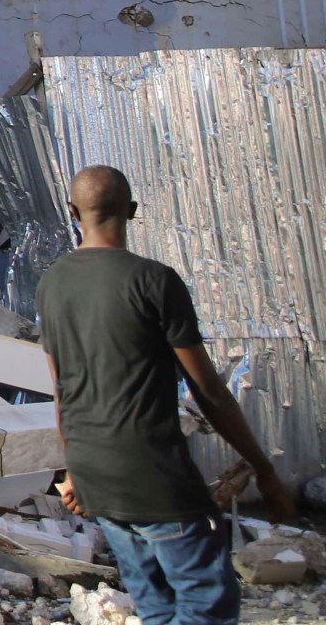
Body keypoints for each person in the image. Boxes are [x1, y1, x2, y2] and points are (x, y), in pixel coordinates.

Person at [38, 164, 294, 625]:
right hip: (153, 474)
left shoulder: (52, 282)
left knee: (155, 605)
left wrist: (74, 467)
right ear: (132, 211)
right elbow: (209, 391)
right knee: (207, 605)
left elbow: (63, 388)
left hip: (96, 473)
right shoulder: (155, 280)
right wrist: (262, 468)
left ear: (73, 211)